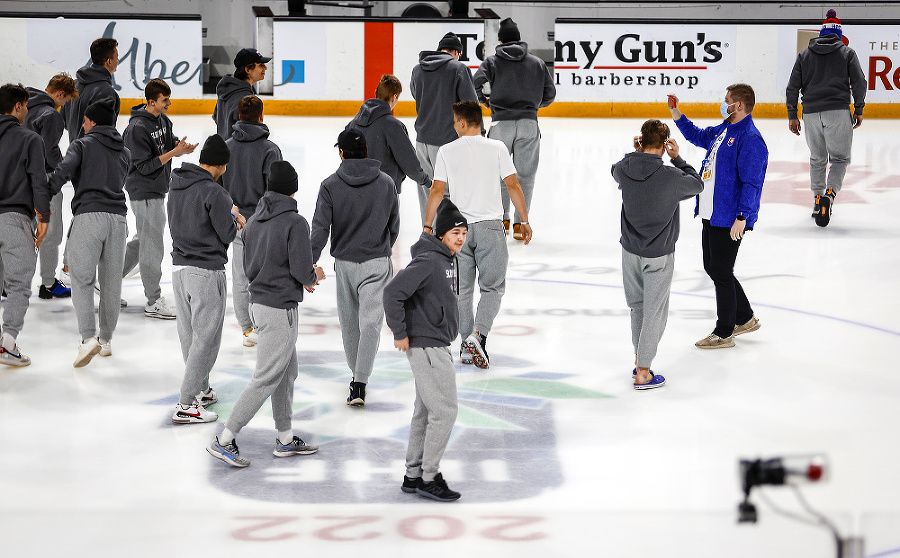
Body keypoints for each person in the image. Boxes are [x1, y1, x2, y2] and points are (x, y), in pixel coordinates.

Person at [208, 161, 325, 468]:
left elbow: (249, 269)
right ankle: (225, 438)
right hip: (279, 309)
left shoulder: (255, 224)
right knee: (266, 377)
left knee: (286, 372)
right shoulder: (295, 223)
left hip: (260, 305)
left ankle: (285, 439)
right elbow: (302, 269)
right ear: (294, 188)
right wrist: (314, 276)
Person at [424, 100, 532, 369]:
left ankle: (465, 345)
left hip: (457, 230)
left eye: (454, 121)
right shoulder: (497, 148)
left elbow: (437, 190)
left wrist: (427, 226)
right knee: (493, 288)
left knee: (462, 291)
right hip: (490, 228)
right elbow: (513, 184)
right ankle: (478, 335)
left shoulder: (447, 151)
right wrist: (524, 220)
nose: (453, 125)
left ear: (462, 123)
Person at [668, 85, 768, 349]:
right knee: (714, 267)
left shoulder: (750, 138)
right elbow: (698, 136)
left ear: (740, 106)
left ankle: (724, 332)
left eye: (727, 101)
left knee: (721, 271)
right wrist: (676, 112)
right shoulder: (724, 129)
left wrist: (742, 216)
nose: (723, 105)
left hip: (731, 216)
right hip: (711, 211)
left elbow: (752, 182)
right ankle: (745, 317)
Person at [384, 198, 467, 502]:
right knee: (445, 411)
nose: (460, 238)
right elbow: (393, 292)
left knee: (425, 411)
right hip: (427, 345)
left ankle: (413, 474)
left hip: (436, 343)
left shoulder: (446, 259)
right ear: (442, 233)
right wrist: (401, 332)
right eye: (455, 232)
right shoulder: (430, 261)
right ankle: (430, 477)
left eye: (464, 233)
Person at [611, 119, 704, 390]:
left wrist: (636, 154)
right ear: (665, 144)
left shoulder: (626, 169)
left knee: (637, 307)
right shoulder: (672, 177)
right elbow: (697, 184)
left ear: (641, 140)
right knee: (654, 312)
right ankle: (643, 371)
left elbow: (614, 169)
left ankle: (640, 357)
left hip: (630, 251)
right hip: (659, 254)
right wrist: (678, 160)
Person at [311, 129, 399, 407]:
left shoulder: (330, 185)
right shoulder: (387, 183)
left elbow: (320, 229)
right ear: (366, 152)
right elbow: (394, 225)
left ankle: (356, 378)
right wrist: (381, 247)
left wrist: (309, 263)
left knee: (350, 324)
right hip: (376, 261)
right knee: (371, 323)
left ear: (341, 153)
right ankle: (360, 380)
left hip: (346, 264)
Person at [168, 135, 245, 424]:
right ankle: (186, 403)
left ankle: (200, 389)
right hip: (206, 271)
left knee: (190, 337)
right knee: (206, 340)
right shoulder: (216, 194)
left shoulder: (176, 185)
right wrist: (235, 217)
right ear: (223, 166)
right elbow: (227, 234)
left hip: (179, 270)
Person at [47, 101, 130, 367]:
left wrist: (40, 194)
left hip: (89, 216)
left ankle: (87, 339)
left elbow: (62, 172)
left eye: (84, 121)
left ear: (93, 122)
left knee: (81, 280)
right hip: (118, 220)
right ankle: (105, 340)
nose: (82, 125)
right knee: (111, 283)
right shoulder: (124, 151)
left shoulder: (81, 144)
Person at [473, 18, 555, 240]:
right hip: (529, 124)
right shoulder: (537, 63)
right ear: (519, 39)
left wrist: (485, 100)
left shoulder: (492, 61)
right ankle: (520, 225)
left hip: (500, 124)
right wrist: (534, 107)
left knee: (500, 175)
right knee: (525, 176)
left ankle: (503, 220)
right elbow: (551, 94)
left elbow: (475, 81)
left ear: (500, 40)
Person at [122, 78, 197, 319]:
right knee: (152, 246)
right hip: (144, 192)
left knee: (143, 241)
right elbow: (143, 167)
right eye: (165, 100)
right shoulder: (136, 129)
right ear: (151, 101)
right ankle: (153, 300)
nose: (169, 103)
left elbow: (167, 143)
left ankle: (106, 277)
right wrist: (173, 153)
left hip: (156, 189)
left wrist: (178, 146)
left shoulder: (163, 120)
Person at [786, 9, 866, 227]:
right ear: (838, 35)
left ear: (821, 34)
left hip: (810, 113)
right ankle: (828, 196)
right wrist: (858, 108)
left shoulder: (804, 55)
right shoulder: (847, 53)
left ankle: (816, 199)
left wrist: (793, 114)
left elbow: (792, 87)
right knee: (839, 159)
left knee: (817, 158)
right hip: (838, 112)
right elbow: (860, 83)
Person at [223, 94, 282, 347]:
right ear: (261, 116)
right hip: (262, 223)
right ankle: (262, 324)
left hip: (236, 221)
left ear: (239, 116)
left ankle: (247, 329)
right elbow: (277, 190)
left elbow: (217, 187)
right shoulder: (270, 150)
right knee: (263, 275)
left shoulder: (226, 146)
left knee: (240, 276)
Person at [0, 84, 51, 367]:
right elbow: (38, 182)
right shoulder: (29, 139)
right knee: (18, 285)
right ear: (18, 107)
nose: (28, 111)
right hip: (14, 219)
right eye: (26, 106)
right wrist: (43, 217)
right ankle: (8, 344)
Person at [410, 33, 478, 221]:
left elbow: (418, 96)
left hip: (422, 141)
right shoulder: (458, 69)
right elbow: (470, 105)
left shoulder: (417, 70)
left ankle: (429, 233)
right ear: (456, 52)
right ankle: (447, 237)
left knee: (427, 190)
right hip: (447, 142)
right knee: (448, 191)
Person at [25, 73, 77, 300]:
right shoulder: (51, 116)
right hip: (44, 180)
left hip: (20, 179)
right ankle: (48, 283)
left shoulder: (26, 106)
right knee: (51, 233)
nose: (64, 105)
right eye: (65, 101)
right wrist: (65, 165)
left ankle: (8, 282)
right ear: (60, 94)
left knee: (21, 231)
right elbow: (49, 151)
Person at [346, 74, 429, 199]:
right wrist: (426, 181)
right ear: (394, 97)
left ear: (376, 92)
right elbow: (409, 162)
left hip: (355, 189)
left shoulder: (353, 124)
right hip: (384, 192)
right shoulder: (393, 126)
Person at [61, 38, 120, 142]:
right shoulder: (106, 92)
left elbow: (64, 121)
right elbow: (106, 133)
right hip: (94, 154)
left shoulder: (74, 85)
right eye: (117, 57)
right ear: (109, 61)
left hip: (75, 152)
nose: (118, 60)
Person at [213, 48, 271, 139]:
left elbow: (217, 117)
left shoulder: (226, 91)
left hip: (225, 148)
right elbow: (250, 132)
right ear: (248, 69)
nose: (265, 68)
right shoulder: (246, 99)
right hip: (239, 151)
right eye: (260, 65)